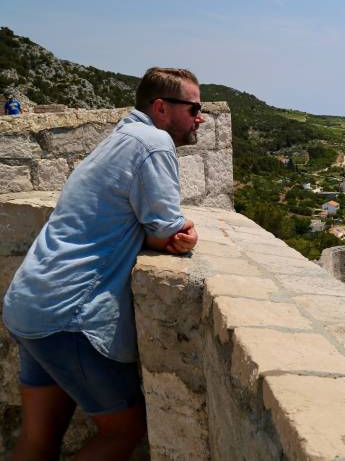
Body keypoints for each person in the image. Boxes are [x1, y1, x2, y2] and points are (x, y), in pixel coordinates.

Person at [2, 67, 205, 460]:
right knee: (123, 432)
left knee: (38, 440)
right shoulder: (153, 142)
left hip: (30, 302)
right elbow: (167, 231)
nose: (201, 118)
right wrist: (187, 235)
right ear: (161, 108)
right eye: (194, 108)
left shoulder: (119, 136)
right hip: (69, 316)